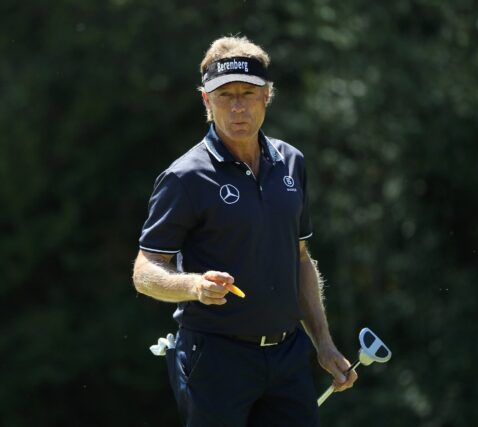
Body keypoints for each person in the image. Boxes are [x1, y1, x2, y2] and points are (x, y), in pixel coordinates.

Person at [132, 35, 357, 426]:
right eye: (225, 96)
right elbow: (144, 271)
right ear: (206, 101)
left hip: (288, 356)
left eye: (248, 93)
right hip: (215, 359)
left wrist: (323, 342)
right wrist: (194, 286)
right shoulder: (184, 177)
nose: (238, 106)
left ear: (267, 95)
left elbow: (300, 258)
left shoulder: (292, 163)